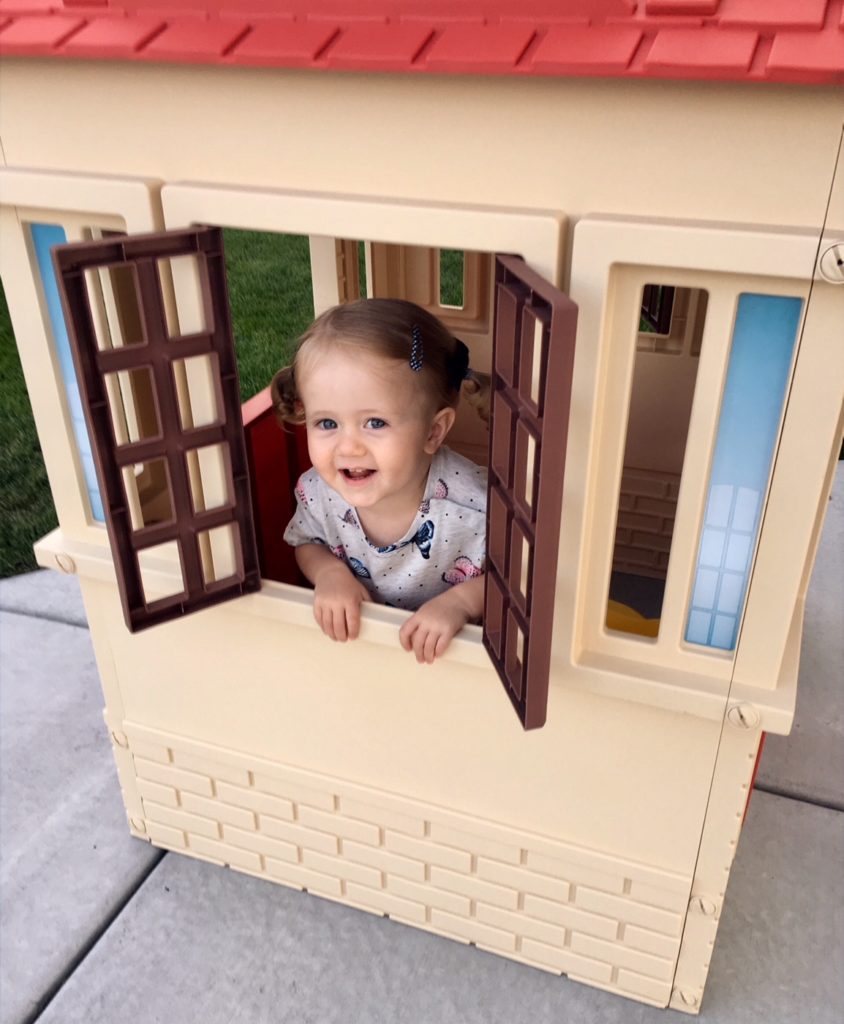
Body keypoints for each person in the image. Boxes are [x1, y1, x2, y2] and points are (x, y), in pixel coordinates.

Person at [271, 298, 491, 663]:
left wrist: (460, 604)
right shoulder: (319, 491)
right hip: (360, 653)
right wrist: (329, 574)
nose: (349, 447)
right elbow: (306, 541)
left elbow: (516, 579)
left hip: (450, 661)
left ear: (434, 431)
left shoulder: (474, 504)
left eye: (375, 423)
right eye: (327, 423)